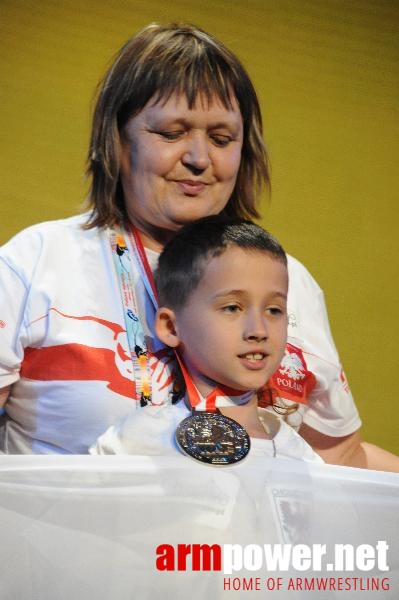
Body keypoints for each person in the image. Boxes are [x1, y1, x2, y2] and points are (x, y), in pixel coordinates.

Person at [0, 22, 397, 468]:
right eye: (171, 133)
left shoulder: (291, 281)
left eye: (221, 139)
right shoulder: (34, 263)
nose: (198, 158)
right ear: (117, 140)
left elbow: (340, 458)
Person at [91, 216, 322, 464]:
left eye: (274, 310)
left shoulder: (300, 458)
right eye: (232, 308)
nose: (259, 330)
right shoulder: (139, 441)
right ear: (171, 327)